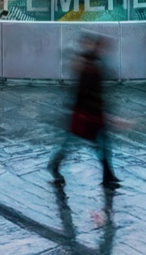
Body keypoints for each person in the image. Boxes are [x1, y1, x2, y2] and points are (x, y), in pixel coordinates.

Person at [49, 34, 120, 188]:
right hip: (86, 114)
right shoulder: (88, 65)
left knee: (101, 144)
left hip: (92, 113)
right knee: (74, 143)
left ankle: (108, 175)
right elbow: (84, 91)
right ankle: (55, 164)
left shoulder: (94, 63)